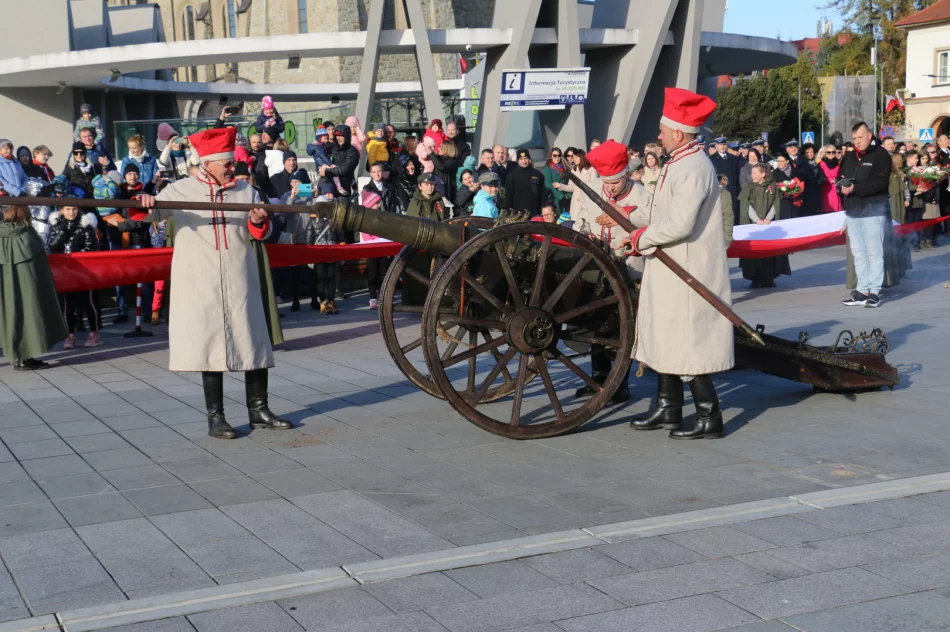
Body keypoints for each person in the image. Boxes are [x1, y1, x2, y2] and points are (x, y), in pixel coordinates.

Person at [135, 126, 292, 439]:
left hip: (240, 278)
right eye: (228, 163)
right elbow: (149, 214)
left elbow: (260, 232)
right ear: (208, 163)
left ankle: (259, 409)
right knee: (210, 346)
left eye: (233, 162)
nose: (233, 168)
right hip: (201, 282)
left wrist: (258, 222)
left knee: (252, 339)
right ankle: (216, 417)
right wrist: (144, 202)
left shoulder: (246, 192)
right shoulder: (179, 191)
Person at [623, 87, 732, 440]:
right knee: (666, 335)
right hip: (671, 264)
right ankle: (669, 408)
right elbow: (662, 213)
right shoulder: (681, 162)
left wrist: (642, 238)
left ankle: (709, 416)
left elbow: (681, 224)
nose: (659, 136)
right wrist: (637, 227)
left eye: (663, 131)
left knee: (690, 342)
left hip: (688, 268)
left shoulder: (693, 166)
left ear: (679, 134)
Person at [572, 140, 654, 404]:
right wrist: (584, 231)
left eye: (615, 183)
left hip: (630, 269)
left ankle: (619, 384)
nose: (609, 188)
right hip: (597, 269)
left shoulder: (642, 194)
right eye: (606, 183)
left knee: (621, 328)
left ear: (626, 176)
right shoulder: (592, 189)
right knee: (597, 322)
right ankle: (598, 378)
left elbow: (653, 222)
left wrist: (625, 215)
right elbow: (580, 218)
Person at [0, 205, 67, 371]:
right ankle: (26, 357)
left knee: (9, 319)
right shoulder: (29, 235)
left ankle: (16, 357)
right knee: (29, 317)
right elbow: (40, 264)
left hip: (5, 289)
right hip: (28, 286)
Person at [839, 122, 891, 308]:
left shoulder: (880, 155)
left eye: (860, 137)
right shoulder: (850, 157)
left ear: (869, 136)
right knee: (858, 253)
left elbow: (881, 183)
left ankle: (874, 291)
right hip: (853, 211)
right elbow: (842, 177)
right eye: (854, 138)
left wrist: (856, 188)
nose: (857, 141)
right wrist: (842, 188)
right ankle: (862, 290)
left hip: (873, 210)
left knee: (874, 252)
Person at [47, 204, 103, 349]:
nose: (71, 212)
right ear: (61, 211)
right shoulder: (56, 226)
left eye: (74, 209)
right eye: (68, 209)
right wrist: (63, 234)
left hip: (83, 270)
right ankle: (70, 334)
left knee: (88, 302)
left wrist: (76, 258)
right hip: (65, 271)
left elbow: (91, 247)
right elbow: (52, 246)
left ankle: (94, 333)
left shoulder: (86, 225)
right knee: (68, 304)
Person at [737, 164, 792, 288]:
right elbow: (746, 205)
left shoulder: (772, 186)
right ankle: (754, 278)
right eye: (752, 173)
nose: (752, 176)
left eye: (755, 173)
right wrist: (756, 219)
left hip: (769, 224)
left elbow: (776, 203)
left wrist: (768, 217)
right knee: (754, 251)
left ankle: (768, 278)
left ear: (763, 174)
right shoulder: (748, 187)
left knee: (768, 251)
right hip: (753, 225)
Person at [304, 195, 340, 313]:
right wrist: (309, 257)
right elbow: (308, 241)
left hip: (332, 253)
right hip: (319, 254)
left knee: (331, 278)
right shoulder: (312, 222)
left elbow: (339, 237)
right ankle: (323, 301)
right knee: (321, 279)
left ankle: (331, 300)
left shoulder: (334, 221)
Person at [561, 149, 598, 226]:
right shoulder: (573, 171)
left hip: (587, 199)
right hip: (575, 201)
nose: (574, 159)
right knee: (575, 222)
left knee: (586, 222)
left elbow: (595, 186)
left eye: (576, 157)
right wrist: (561, 186)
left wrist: (584, 196)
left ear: (582, 157)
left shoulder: (591, 169)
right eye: (573, 157)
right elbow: (571, 187)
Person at [504, 149, 546, 216]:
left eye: (526, 158)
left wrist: (543, 209)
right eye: (521, 159)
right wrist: (509, 213)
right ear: (517, 160)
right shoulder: (512, 176)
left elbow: (543, 194)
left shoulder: (538, 174)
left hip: (535, 212)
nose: (524, 161)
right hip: (518, 214)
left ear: (529, 159)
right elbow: (508, 196)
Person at [709, 137, 740, 211]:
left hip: (733, 190)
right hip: (721, 190)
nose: (722, 147)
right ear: (716, 146)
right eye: (720, 145)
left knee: (734, 212)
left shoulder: (733, 158)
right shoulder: (712, 159)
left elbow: (736, 175)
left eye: (724, 144)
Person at [772, 154, 806, 219]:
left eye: (781, 161)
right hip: (783, 202)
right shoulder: (774, 173)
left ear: (787, 161)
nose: (779, 163)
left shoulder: (796, 171)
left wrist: (796, 192)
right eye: (778, 161)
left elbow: (801, 183)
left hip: (796, 202)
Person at [543, 147, 571, 218]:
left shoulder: (564, 168)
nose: (557, 157)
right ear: (551, 156)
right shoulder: (547, 168)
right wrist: (561, 197)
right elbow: (549, 185)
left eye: (559, 155)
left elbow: (569, 183)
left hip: (566, 198)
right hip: (555, 199)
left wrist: (567, 196)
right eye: (555, 155)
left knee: (566, 221)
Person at [816, 144, 842, 212]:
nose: (831, 154)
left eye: (833, 152)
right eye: (828, 152)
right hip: (826, 191)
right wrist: (830, 180)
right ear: (825, 153)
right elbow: (818, 178)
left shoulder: (839, 163)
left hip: (837, 191)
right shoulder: (821, 164)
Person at [719, 175, 734, 247]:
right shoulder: (724, 194)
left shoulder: (724, 194)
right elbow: (728, 215)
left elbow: (727, 215)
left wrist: (727, 238)